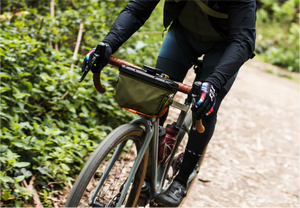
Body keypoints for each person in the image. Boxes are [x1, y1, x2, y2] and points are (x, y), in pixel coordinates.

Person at [82, 0, 256, 207]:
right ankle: (144, 174)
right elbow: (137, 8)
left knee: (207, 105)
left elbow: (243, 40)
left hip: (225, 46)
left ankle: (182, 180)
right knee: (155, 92)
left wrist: (213, 83)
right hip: (184, 35)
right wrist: (107, 44)